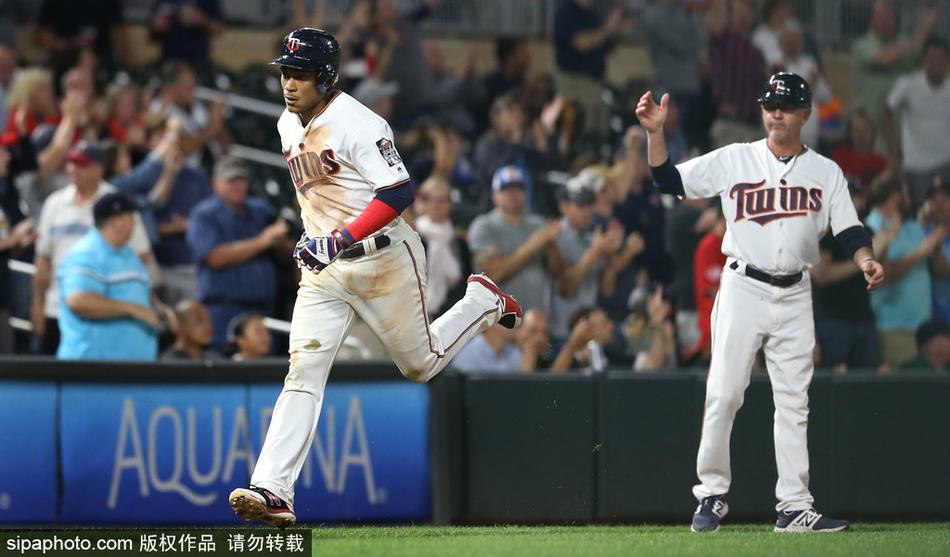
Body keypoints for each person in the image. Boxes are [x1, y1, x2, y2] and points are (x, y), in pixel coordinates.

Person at [228, 28, 524, 528]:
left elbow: (398, 192)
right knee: (303, 371)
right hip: (325, 271)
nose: (288, 83)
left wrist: (338, 238)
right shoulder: (284, 124)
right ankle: (273, 488)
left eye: (299, 73)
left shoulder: (357, 121)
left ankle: (481, 300)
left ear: (325, 76)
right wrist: (315, 237)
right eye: (285, 72)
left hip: (384, 256)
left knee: (419, 365)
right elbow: (318, 195)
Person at [636, 71, 885, 532]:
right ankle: (711, 495)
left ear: (805, 115)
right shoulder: (736, 159)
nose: (775, 112)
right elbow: (668, 180)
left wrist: (865, 258)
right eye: (770, 104)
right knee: (724, 393)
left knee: (794, 401)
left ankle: (793, 506)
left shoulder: (826, 172)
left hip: (795, 291)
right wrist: (656, 133)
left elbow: (850, 229)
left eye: (786, 106)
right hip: (743, 287)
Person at [31, 141, 153, 355]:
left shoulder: (116, 205)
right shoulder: (55, 203)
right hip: (56, 307)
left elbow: (140, 255)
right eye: (71, 163)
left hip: (104, 310)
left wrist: (119, 297)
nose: (73, 169)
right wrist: (37, 306)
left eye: (82, 164)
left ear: (99, 168)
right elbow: (43, 259)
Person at [186, 156, 291, 350]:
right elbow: (214, 258)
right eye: (230, 180)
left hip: (264, 311)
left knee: (269, 373)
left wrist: (281, 242)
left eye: (240, 179)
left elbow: (287, 253)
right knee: (225, 370)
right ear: (215, 182)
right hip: (224, 311)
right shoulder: (203, 215)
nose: (236, 185)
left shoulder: (260, 209)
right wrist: (263, 240)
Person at [56, 193, 160, 360]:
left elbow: (141, 291)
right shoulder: (86, 253)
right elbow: (79, 301)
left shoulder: (128, 254)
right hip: (92, 371)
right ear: (114, 221)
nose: (134, 223)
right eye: (131, 217)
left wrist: (159, 309)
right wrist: (134, 309)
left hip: (128, 371)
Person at [865, 178, 945, 368]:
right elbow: (884, 275)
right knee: (902, 392)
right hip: (894, 329)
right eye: (906, 194)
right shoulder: (871, 227)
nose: (911, 200)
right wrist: (921, 251)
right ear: (894, 197)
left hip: (925, 330)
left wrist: (936, 249)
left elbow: (939, 270)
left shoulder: (914, 228)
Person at [468, 165, 558, 313]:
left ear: (525, 193)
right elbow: (494, 275)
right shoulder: (483, 226)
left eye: (517, 189)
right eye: (506, 190)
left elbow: (559, 276)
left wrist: (550, 245)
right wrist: (532, 245)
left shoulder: (538, 224)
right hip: (499, 319)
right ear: (494, 195)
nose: (512, 194)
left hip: (537, 317)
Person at [851, 1, 939, 136]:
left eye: (889, 15)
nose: (886, 20)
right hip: (871, 130)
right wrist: (921, 31)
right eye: (881, 16)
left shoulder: (905, 46)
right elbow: (884, 59)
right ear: (871, 21)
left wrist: (929, 25)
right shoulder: (863, 45)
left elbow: (930, 63)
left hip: (902, 129)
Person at [882, 37, 950, 210]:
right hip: (915, 166)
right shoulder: (908, 84)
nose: (936, 65)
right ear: (924, 60)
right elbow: (887, 110)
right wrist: (893, 145)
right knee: (920, 214)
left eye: (941, 60)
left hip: (946, 163)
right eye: (931, 60)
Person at [149, 0, 223, 70]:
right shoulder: (164, 1)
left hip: (199, 61)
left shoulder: (208, 1)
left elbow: (219, 28)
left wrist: (201, 20)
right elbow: (153, 32)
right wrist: (162, 23)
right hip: (169, 61)